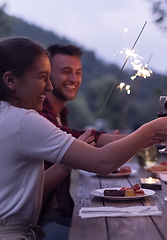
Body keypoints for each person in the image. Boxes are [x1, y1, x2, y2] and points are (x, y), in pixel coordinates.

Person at [0, 36, 167, 239]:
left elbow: (30, 190)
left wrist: (67, 163)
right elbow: (102, 162)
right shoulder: (23, 120)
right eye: (42, 77)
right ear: (10, 80)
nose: (49, 87)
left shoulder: (8, 116)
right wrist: (150, 129)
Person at [37, 44, 127, 239]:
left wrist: (118, 141)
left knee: (120, 225)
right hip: (40, 223)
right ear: (47, 75)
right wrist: (138, 137)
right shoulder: (37, 112)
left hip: (62, 213)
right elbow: (70, 138)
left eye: (78, 72)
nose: (73, 79)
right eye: (66, 72)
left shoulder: (61, 113)